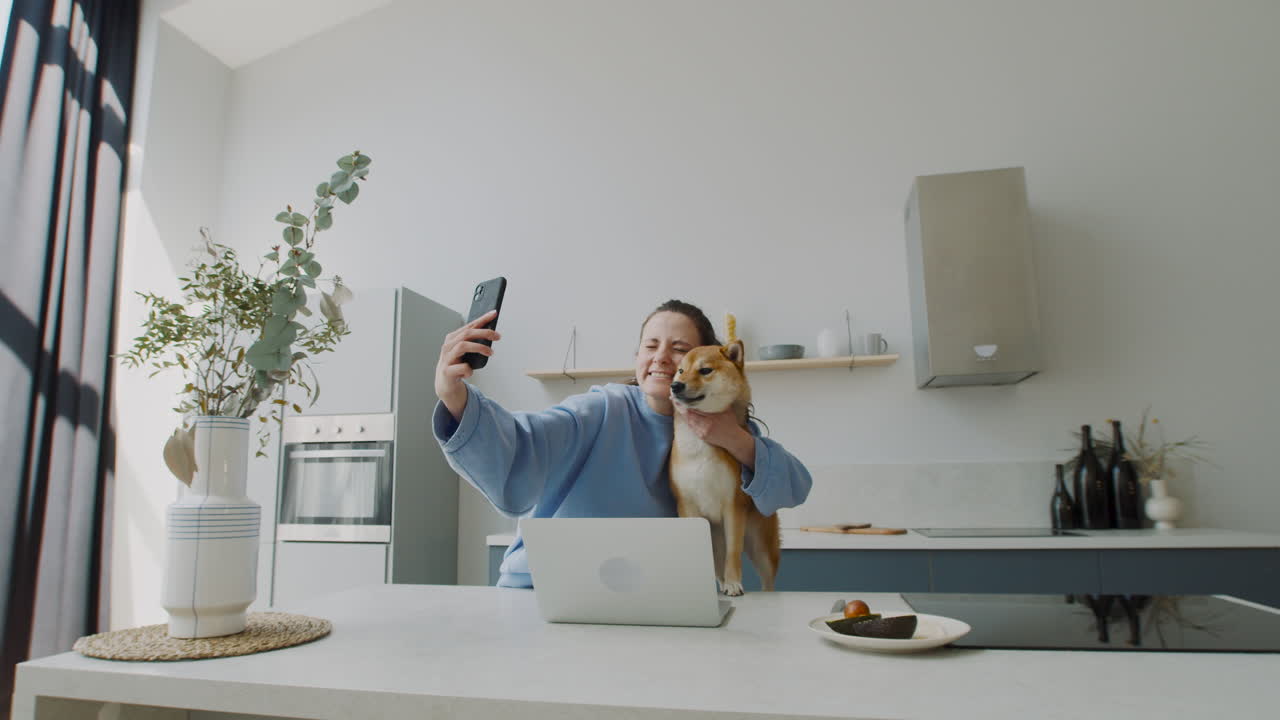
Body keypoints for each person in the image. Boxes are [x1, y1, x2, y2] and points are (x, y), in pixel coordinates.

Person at [432, 299, 813, 588]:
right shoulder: (602, 409)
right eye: (650, 346)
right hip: (544, 591)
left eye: (679, 349)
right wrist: (455, 396)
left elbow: (793, 487)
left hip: (651, 599)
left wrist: (734, 439)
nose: (662, 358)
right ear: (637, 357)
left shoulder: (728, 429)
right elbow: (521, 444)